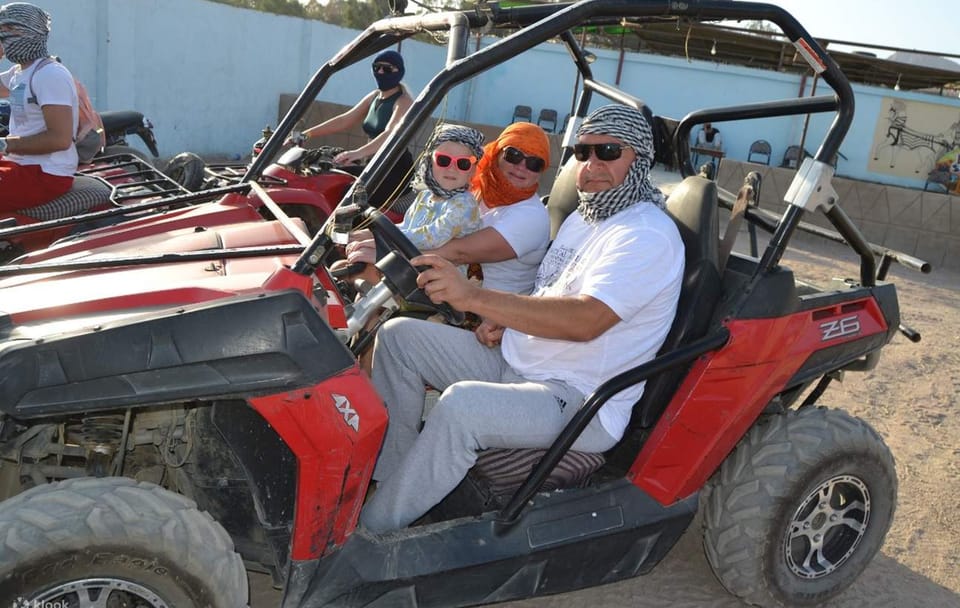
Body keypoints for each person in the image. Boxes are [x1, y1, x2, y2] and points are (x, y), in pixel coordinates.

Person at [360, 104, 685, 533]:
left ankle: (372, 531)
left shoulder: (645, 234)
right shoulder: (584, 218)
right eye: (583, 152)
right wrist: (505, 320)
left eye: (608, 151)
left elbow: (586, 320)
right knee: (400, 338)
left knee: (462, 407)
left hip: (578, 398)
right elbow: (550, 291)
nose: (592, 165)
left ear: (639, 159)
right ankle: (393, 480)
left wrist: (475, 297)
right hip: (518, 360)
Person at [348, 121, 552, 296]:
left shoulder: (530, 216)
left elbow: (458, 252)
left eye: (534, 163)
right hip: (441, 281)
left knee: (363, 275)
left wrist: (384, 249)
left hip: (481, 314)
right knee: (348, 271)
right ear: (496, 153)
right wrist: (364, 235)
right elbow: (414, 224)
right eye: (513, 155)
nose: (521, 167)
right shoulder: (471, 188)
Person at [341, 123, 486, 286]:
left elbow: (432, 237)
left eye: (463, 164)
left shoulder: (464, 205)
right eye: (444, 160)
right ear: (430, 161)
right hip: (414, 264)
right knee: (344, 268)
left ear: (473, 170)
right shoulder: (425, 195)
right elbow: (408, 225)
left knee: (362, 273)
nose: (452, 169)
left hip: (441, 279)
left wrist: (380, 240)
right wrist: (369, 233)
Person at [295, 50, 414, 205]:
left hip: (394, 170)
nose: (380, 71)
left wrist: (357, 153)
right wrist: (305, 134)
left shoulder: (403, 101)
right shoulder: (374, 97)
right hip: (373, 164)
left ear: (399, 72)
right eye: (377, 67)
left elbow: (390, 134)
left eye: (387, 69)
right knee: (326, 176)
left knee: (350, 195)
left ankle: (348, 229)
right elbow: (344, 120)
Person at [0, 2, 78, 213]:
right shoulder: (20, 71)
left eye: (7, 31)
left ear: (29, 32)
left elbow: (60, 139)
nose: (3, 38)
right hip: (22, 163)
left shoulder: (50, 75)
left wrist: (5, 144)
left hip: (46, 172)